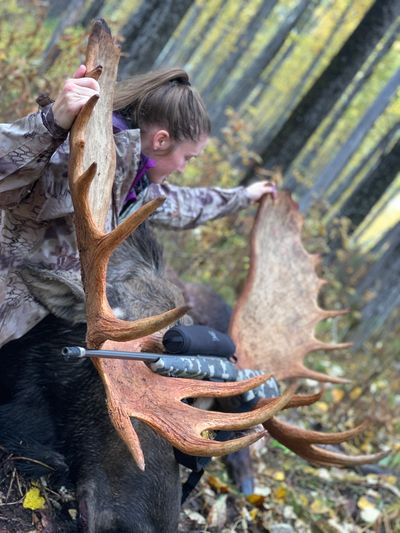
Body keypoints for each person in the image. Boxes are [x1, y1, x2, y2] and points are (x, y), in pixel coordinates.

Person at [0, 65, 277, 348]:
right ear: (161, 140)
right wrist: (51, 123)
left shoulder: (133, 184)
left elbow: (182, 205)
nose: (183, 169)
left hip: (34, 329)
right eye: (188, 158)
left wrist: (244, 196)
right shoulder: (79, 150)